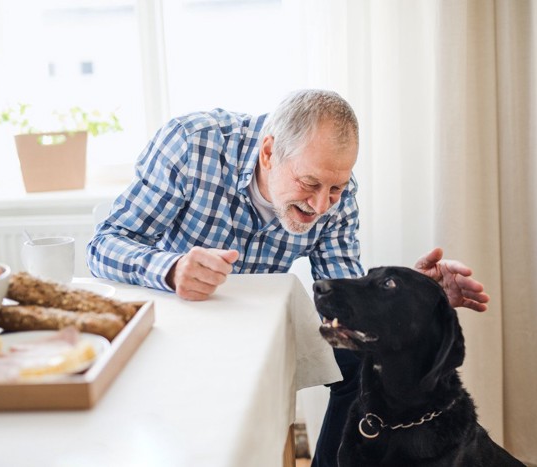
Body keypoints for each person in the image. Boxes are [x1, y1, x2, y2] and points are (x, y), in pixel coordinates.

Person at [86, 89, 489, 466]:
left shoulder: (336, 195)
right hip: (179, 323)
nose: (320, 205)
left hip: (259, 331)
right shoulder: (192, 146)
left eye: (335, 189)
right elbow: (104, 244)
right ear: (268, 153)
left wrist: (416, 294)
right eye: (310, 184)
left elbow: (345, 301)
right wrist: (172, 270)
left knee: (355, 366)